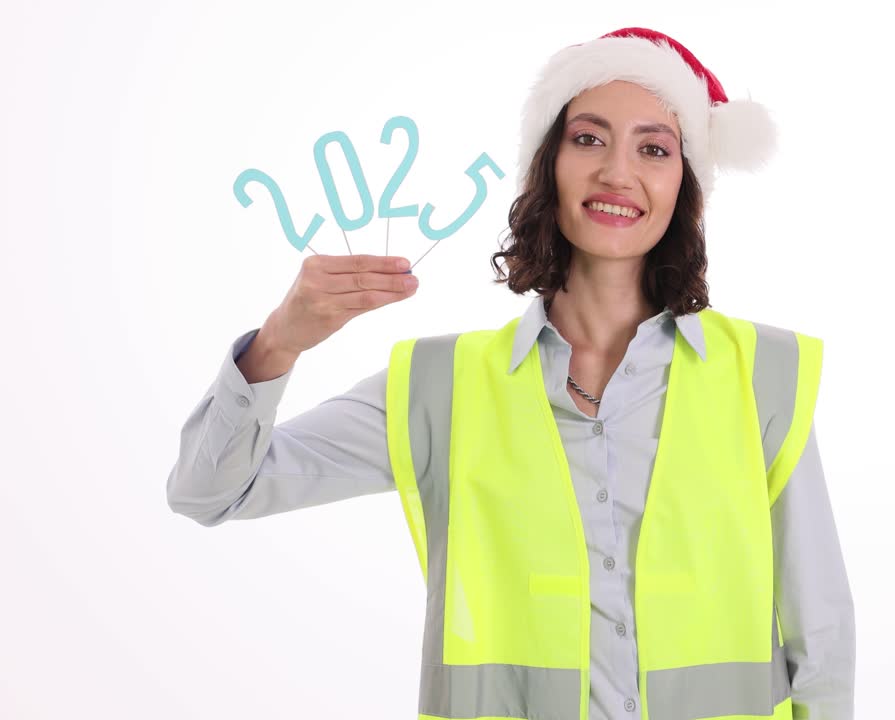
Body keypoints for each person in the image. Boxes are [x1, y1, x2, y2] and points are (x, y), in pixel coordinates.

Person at [168, 27, 855, 720]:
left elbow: (820, 638)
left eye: (654, 148)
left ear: (685, 183)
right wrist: (278, 344)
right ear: (547, 164)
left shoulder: (763, 375)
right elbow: (210, 492)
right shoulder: (440, 388)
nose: (618, 173)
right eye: (588, 139)